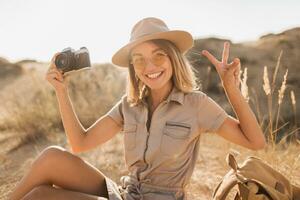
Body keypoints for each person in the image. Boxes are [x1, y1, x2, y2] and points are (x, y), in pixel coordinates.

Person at [9, 17, 266, 200]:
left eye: (158, 55)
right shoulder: (129, 105)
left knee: (40, 197)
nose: (149, 66)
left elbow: (255, 142)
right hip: (125, 194)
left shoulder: (196, 104)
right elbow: (80, 144)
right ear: (132, 67)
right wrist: (61, 91)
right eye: (139, 59)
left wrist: (230, 88)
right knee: (51, 159)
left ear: (173, 59)